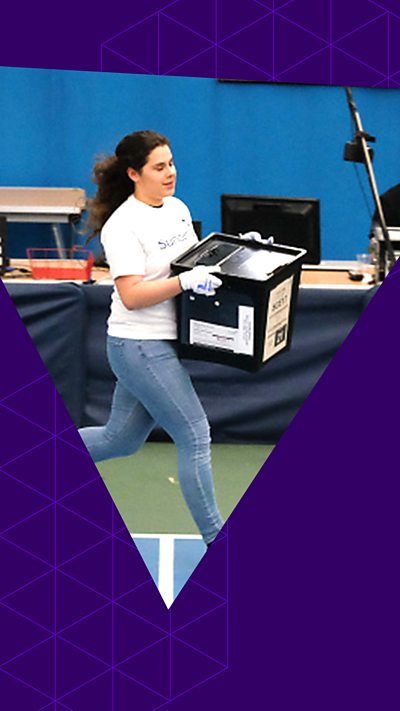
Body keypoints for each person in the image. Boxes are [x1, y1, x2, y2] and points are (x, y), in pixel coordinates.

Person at [79, 129, 224, 547]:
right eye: (159, 167)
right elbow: (132, 294)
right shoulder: (123, 226)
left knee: (118, 440)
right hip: (137, 346)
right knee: (195, 434)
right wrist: (185, 283)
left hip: (158, 343)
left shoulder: (176, 208)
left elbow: (197, 261)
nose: (170, 173)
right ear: (133, 173)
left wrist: (240, 253)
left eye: (172, 163)